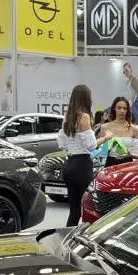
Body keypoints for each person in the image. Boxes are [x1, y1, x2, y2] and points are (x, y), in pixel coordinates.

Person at [56, 85, 97, 226]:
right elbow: (91, 145)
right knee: (88, 209)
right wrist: (106, 137)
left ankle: (67, 237)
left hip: (70, 165)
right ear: (86, 98)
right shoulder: (84, 117)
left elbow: (62, 144)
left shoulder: (67, 118)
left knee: (74, 212)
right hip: (82, 166)